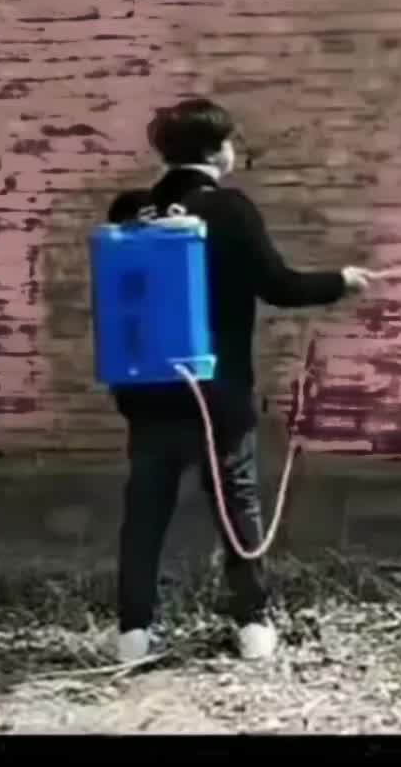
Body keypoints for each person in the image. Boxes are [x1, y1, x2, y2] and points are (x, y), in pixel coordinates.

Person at [107, 97, 371, 664]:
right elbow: (279, 285)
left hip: (148, 390)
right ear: (217, 151)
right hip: (217, 390)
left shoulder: (130, 210)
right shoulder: (228, 209)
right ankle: (253, 626)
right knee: (237, 506)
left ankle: (133, 634)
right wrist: (341, 281)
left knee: (146, 514)